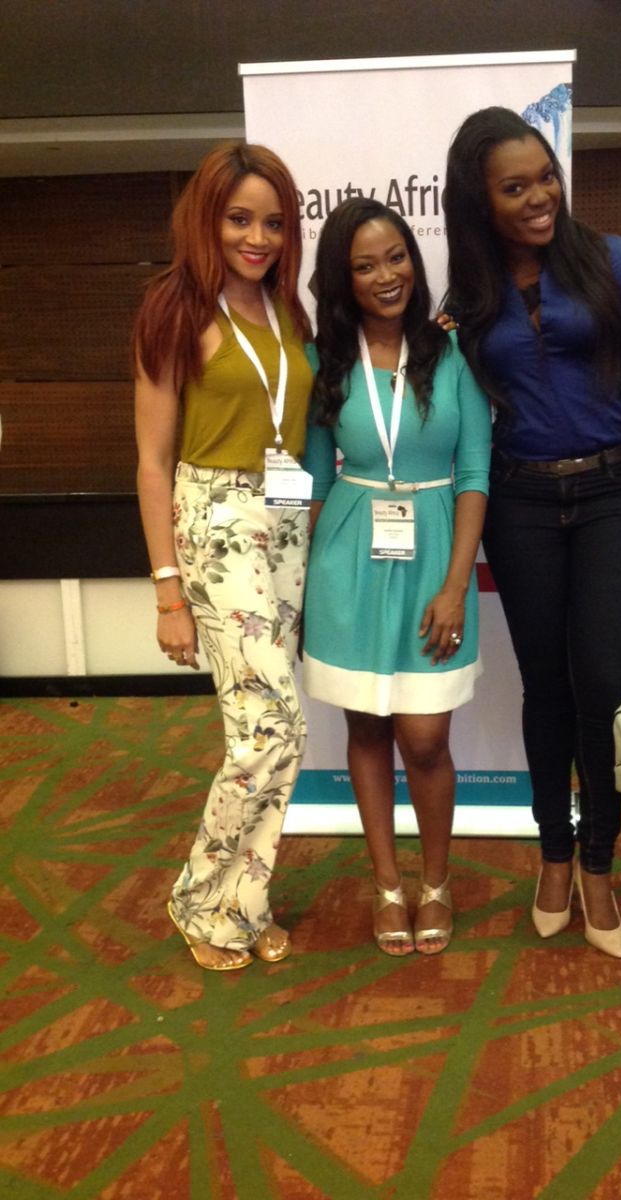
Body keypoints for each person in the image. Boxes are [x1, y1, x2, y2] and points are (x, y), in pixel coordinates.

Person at [443, 107, 621, 958]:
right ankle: (553, 853)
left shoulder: (613, 261)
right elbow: (456, 417)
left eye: (545, 176)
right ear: (480, 201)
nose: (540, 196)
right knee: (545, 687)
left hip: (613, 498)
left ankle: (598, 863)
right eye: (515, 187)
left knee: (605, 688)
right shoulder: (470, 299)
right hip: (519, 504)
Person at [133, 143, 314, 971]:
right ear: (207, 219)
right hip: (215, 519)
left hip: (286, 522)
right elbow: (151, 462)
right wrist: (167, 592)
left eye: (273, 223)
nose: (257, 238)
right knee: (269, 728)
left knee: (278, 732)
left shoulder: (287, 309)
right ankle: (199, 899)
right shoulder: (174, 309)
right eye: (240, 219)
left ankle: (241, 906)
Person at [301, 197, 491, 956]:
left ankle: (435, 882)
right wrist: (304, 584)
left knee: (425, 737)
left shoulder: (452, 354)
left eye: (397, 257)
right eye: (365, 265)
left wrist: (456, 585)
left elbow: (474, 473)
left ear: (415, 258)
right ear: (342, 279)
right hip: (348, 560)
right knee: (367, 728)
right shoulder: (325, 362)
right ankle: (387, 886)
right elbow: (317, 480)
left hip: (435, 555)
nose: (387, 275)